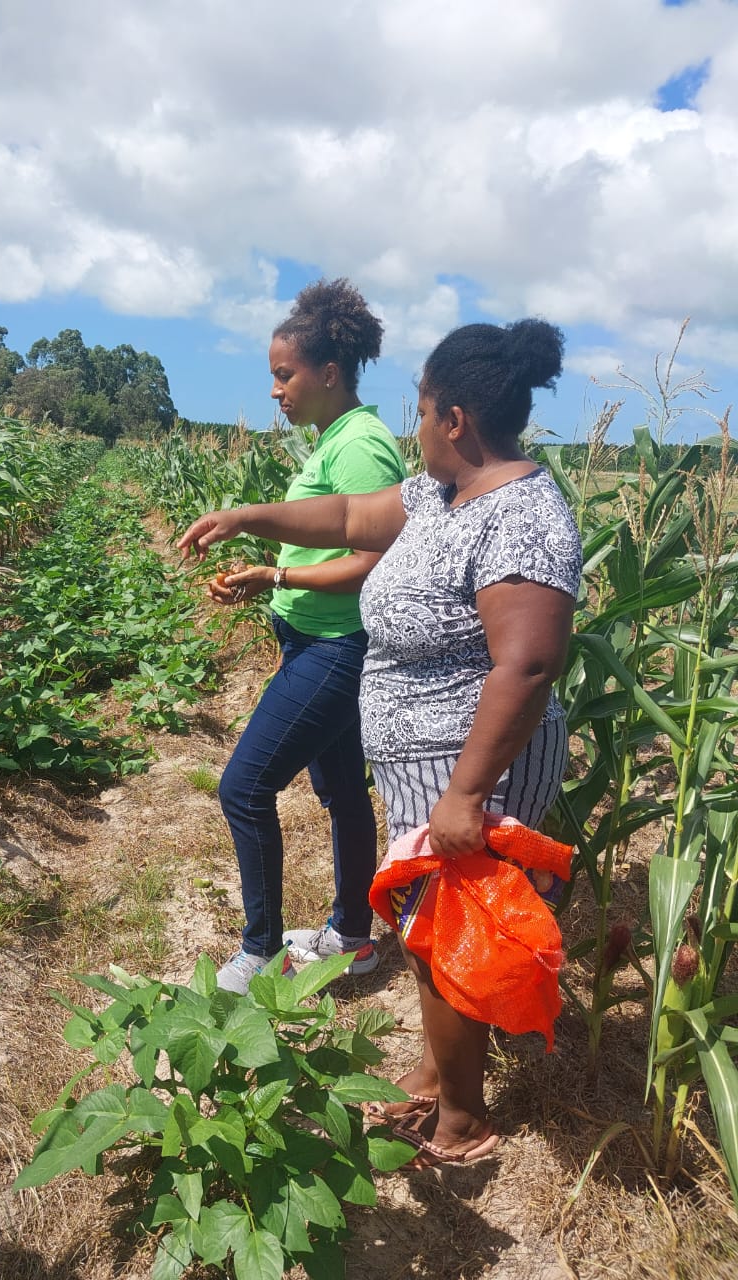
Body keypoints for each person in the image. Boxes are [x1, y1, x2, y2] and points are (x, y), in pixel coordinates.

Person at [178, 318, 582, 1167]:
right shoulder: (441, 493)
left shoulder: (522, 514)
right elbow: (354, 513)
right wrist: (249, 516)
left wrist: (466, 793)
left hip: (468, 758)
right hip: (422, 754)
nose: (417, 425)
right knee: (434, 928)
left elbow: (528, 661)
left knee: (446, 933)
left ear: (456, 420)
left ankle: (462, 1122)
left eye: (425, 410)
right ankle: (438, 1080)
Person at [202, 278, 407, 995]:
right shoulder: (339, 438)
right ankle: (352, 937)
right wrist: (268, 575)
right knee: (343, 793)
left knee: (244, 788)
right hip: (316, 641)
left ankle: (258, 953)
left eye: (283, 375)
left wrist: (281, 580)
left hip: (336, 650)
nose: (275, 391)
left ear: (328, 372)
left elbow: (376, 560)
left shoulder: (361, 446)